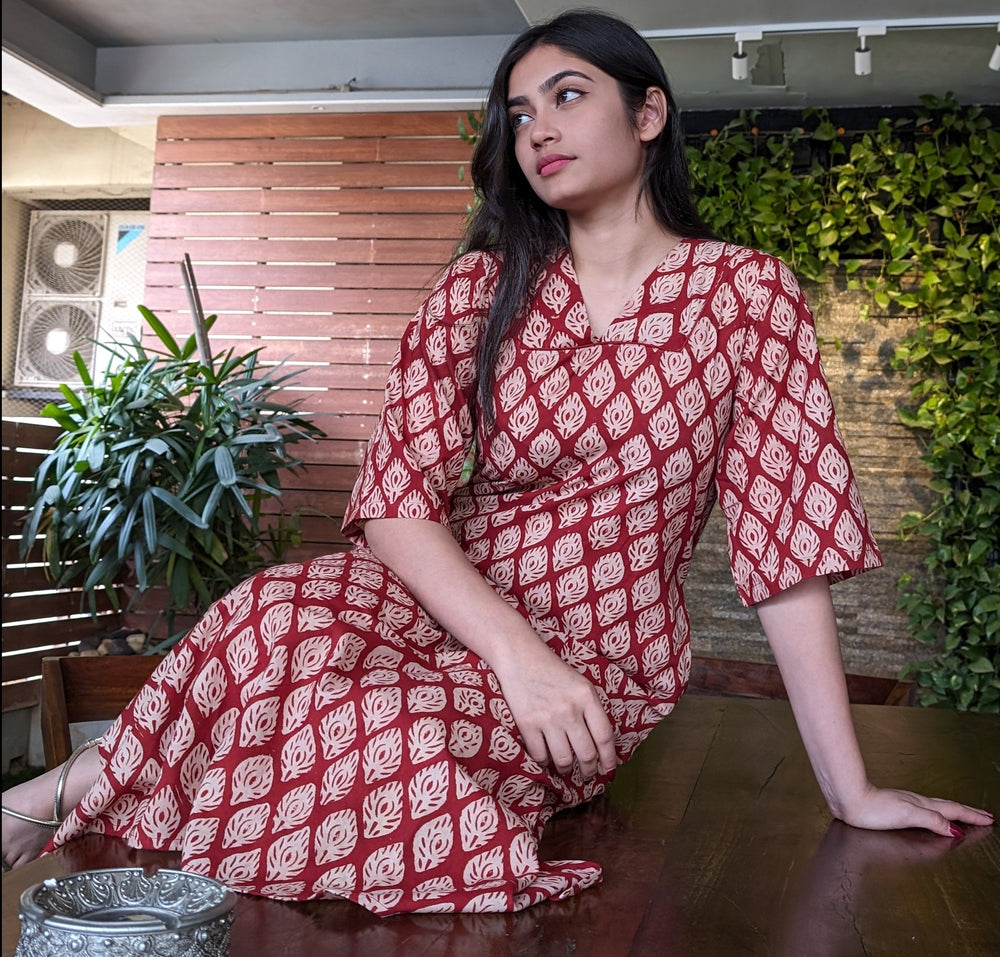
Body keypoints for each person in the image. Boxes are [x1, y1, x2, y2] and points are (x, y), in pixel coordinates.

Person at [2, 8, 992, 915]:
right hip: (446, 596)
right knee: (270, 615)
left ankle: (76, 791)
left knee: (382, 744)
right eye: (519, 115)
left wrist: (848, 788)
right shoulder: (482, 285)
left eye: (568, 98)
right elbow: (395, 504)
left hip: (601, 649)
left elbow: (788, 551)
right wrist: (516, 658)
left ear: (648, 115)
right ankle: (55, 793)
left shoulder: (745, 295)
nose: (539, 131)